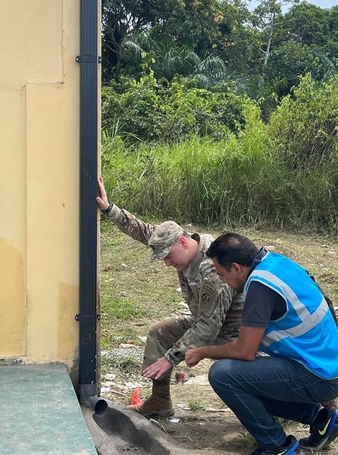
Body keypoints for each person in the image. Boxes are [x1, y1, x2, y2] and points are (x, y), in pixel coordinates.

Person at [185, 233, 338, 455]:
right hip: (329, 367)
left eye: (222, 275)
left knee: (224, 375)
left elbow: (245, 351)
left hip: (317, 374)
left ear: (236, 267)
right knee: (249, 382)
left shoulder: (260, 287)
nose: (223, 282)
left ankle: (276, 446)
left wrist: (202, 351)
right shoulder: (276, 263)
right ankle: (323, 420)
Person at [97, 177, 242, 417]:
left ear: (183, 242)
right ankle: (160, 401)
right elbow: (145, 232)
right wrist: (109, 208)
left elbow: (208, 328)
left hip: (233, 333)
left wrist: (170, 358)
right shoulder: (182, 245)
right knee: (160, 332)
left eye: (168, 256)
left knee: (236, 369)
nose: (166, 263)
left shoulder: (212, 269)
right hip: (205, 322)